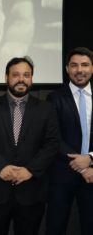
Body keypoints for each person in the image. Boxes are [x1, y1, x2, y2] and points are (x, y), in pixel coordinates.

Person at [0, 57, 59, 235]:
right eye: (15, 75)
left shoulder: (46, 108)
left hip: (32, 192)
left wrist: (30, 170)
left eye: (26, 75)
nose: (21, 79)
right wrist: (1, 167)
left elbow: (52, 144)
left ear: (32, 78)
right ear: (6, 77)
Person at [45, 47, 93, 235]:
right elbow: (53, 137)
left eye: (85, 65)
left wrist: (90, 158)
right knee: (55, 227)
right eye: (74, 65)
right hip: (61, 175)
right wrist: (81, 166)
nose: (79, 70)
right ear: (67, 69)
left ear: (92, 68)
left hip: (92, 175)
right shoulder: (54, 97)